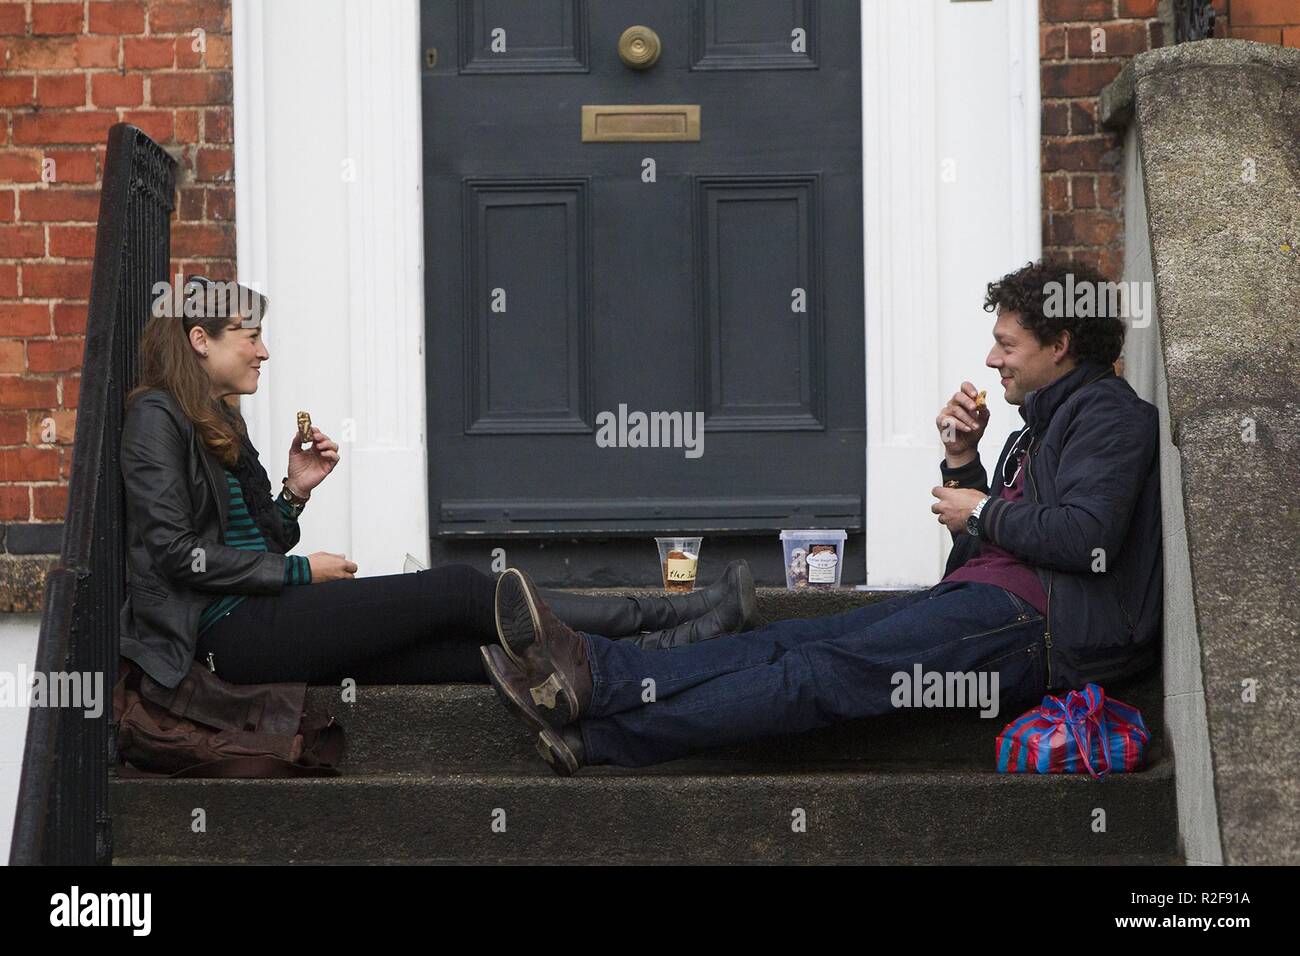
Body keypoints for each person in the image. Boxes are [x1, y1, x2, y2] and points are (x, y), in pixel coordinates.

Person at [479, 259, 1163, 774]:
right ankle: (594, 675)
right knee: (785, 645)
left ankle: (596, 734)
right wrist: (962, 462)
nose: (991, 358)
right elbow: (982, 556)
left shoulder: (1111, 415)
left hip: (1043, 632)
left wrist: (979, 507)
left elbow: (1087, 538)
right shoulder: (1037, 428)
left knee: (814, 677)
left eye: (1007, 344)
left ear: (1061, 344)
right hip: (995, 604)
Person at [118, 276, 757, 691]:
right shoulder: (155, 417)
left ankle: (668, 650)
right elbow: (178, 555)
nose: (263, 352)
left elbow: (268, 538)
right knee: (455, 589)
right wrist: (299, 574)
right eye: (250, 336)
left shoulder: (221, 416)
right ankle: (662, 611)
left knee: (469, 655)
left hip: (261, 617)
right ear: (199, 339)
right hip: (219, 637)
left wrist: (295, 490)